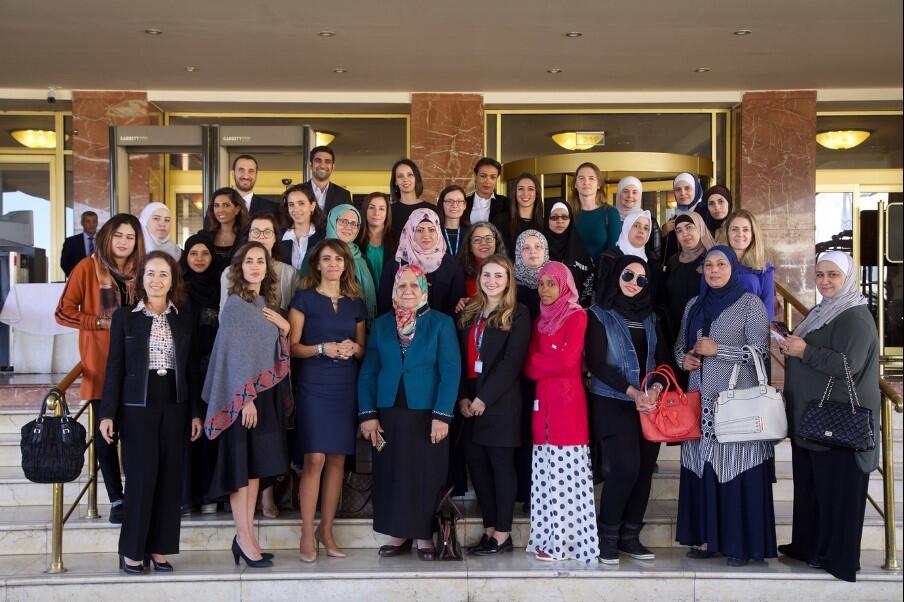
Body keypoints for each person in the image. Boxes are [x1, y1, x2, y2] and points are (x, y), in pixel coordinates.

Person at [777, 251, 880, 582]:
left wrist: (804, 351)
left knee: (837, 492)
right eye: (820, 274)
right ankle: (811, 547)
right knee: (815, 489)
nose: (825, 281)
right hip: (814, 420)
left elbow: (848, 365)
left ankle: (837, 557)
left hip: (837, 422)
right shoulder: (825, 311)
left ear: (847, 277)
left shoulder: (854, 316)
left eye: (833, 274)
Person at [98, 251, 201, 574]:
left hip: (174, 402)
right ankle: (132, 552)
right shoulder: (126, 317)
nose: (157, 281)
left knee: (170, 478)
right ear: (141, 279)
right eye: (151, 274)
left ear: (173, 281)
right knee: (141, 478)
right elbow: (114, 367)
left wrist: (196, 412)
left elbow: (191, 370)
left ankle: (159, 549)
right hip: (136, 406)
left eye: (164, 275)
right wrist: (107, 413)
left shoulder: (183, 317)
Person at [675, 245, 775, 567]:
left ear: (733, 267)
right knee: (703, 467)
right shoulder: (694, 305)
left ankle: (738, 543)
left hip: (736, 407)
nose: (714, 270)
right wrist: (685, 359)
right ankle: (706, 539)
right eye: (708, 265)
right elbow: (680, 346)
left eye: (721, 264)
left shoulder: (750, 305)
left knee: (734, 468)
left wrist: (720, 350)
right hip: (699, 402)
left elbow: (760, 355)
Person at [358, 265, 460, 561]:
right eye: (401, 286)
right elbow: (368, 372)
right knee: (391, 472)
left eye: (413, 286)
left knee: (425, 474)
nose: (407, 292)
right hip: (388, 410)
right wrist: (368, 414)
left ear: (424, 290)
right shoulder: (380, 325)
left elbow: (450, 371)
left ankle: (422, 535)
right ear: (393, 290)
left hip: (427, 412)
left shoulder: (440, 324)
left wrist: (442, 415)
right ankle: (397, 532)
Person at [203, 242, 292, 568]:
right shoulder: (236, 306)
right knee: (241, 471)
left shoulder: (264, 303)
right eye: (249, 261)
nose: (255, 266)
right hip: (244, 400)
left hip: (262, 397)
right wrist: (246, 398)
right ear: (239, 269)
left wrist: (285, 329)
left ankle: (248, 538)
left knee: (254, 471)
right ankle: (243, 537)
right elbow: (233, 357)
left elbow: (269, 353)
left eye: (260, 261)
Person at [55, 213, 144, 525]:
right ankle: (116, 499)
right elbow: (63, 312)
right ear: (107, 237)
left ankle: (137, 493)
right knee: (106, 436)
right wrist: (98, 322)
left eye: (130, 237)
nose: (123, 242)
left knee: (136, 433)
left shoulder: (143, 270)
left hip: (138, 363)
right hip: (101, 363)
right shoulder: (87, 267)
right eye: (118, 235)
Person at [587, 255, 671, 564]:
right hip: (613, 401)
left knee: (644, 470)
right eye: (628, 276)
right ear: (616, 277)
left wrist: (657, 388)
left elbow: (663, 361)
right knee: (625, 468)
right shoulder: (597, 314)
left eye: (641, 279)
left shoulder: (652, 318)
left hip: (649, 404)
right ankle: (607, 535)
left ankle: (630, 535)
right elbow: (597, 363)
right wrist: (633, 391)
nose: (634, 284)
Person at [289, 239, 367, 562]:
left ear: (346, 264)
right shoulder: (303, 300)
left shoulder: (356, 304)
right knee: (315, 459)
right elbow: (292, 347)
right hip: (313, 384)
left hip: (344, 385)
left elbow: (364, 349)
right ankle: (307, 531)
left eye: (339, 259)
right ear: (317, 265)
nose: (333, 264)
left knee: (337, 459)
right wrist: (322, 348)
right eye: (326, 259)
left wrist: (351, 348)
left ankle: (328, 529)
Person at [523, 262, 599, 563]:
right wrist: (547, 360)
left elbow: (568, 362)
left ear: (564, 285)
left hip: (567, 406)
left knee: (567, 477)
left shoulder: (576, 316)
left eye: (551, 284)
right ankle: (548, 538)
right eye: (541, 284)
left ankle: (567, 545)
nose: (545, 290)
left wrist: (546, 360)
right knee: (545, 476)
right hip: (542, 406)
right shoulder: (539, 320)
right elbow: (528, 365)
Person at [457, 255, 531, 556]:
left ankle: (503, 534)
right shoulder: (470, 311)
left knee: (501, 467)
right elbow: (459, 360)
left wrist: (483, 399)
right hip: (469, 401)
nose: (492, 281)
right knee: (478, 468)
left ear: (508, 280)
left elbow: (511, 362)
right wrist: (464, 396)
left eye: (499, 276)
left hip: (500, 402)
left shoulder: (519, 313)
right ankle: (489, 530)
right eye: (487, 275)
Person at [180, 233, 222, 515]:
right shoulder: (177, 289)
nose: (198, 258)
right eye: (193, 253)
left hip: (215, 370)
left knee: (211, 433)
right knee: (188, 434)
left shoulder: (221, 287)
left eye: (204, 253)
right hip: (184, 371)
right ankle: (187, 495)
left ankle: (211, 495)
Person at [512, 229, 549, 507]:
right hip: (516, 371)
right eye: (526, 248)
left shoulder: (555, 283)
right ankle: (524, 491)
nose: (533, 252)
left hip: (548, 370)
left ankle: (543, 491)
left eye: (538, 247)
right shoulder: (509, 285)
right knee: (523, 428)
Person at [658, 212, 715, 386]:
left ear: (700, 229)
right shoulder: (674, 261)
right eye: (679, 230)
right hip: (676, 333)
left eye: (690, 228)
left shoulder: (712, 259)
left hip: (704, 334)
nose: (685, 234)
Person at [377, 208, 465, 316]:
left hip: (440, 330)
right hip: (401, 329)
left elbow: (457, 308)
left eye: (431, 230)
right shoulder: (395, 264)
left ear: (438, 231)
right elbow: (385, 307)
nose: (426, 235)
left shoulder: (452, 265)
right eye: (419, 230)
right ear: (410, 231)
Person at [219, 213, 299, 314]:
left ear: (275, 238)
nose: (261, 236)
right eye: (256, 231)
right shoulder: (230, 272)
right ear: (248, 236)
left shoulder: (290, 273)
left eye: (267, 232)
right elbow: (224, 313)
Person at [325, 204, 377, 322]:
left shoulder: (362, 258)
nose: (349, 227)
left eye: (354, 223)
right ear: (333, 221)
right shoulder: (317, 253)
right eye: (344, 221)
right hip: (326, 322)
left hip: (359, 322)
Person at [594, 210, 657, 303]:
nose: (641, 231)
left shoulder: (652, 260)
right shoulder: (609, 258)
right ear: (627, 227)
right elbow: (603, 293)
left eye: (646, 228)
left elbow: (656, 296)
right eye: (636, 225)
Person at [723, 209, 775, 321]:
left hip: (753, 328)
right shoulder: (715, 261)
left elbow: (768, 308)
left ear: (753, 234)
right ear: (727, 233)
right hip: (720, 328)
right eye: (734, 229)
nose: (740, 234)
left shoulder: (764, 267)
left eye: (745, 229)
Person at [542, 201, 594, 307]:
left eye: (564, 217)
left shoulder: (579, 249)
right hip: (543, 309)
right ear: (547, 219)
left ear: (570, 220)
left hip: (573, 309)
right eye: (554, 217)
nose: (560, 221)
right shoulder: (538, 247)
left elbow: (587, 284)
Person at [572, 162, 621, 260]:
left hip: (602, 272)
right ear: (575, 184)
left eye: (591, 178)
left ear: (599, 184)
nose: (586, 182)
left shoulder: (610, 213)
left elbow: (614, 251)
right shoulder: (568, 214)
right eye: (581, 178)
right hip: (573, 273)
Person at [279, 183, 325, 274]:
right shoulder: (278, 236)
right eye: (291, 204)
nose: (296, 209)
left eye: (301, 203)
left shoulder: (324, 237)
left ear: (312, 206)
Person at [458, 221, 508, 304]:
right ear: (470, 246)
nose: (483, 243)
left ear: (496, 242)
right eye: (477, 240)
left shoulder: (507, 269)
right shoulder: (460, 271)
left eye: (488, 238)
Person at [614, 176, 662, 263]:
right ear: (619, 193)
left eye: (634, 192)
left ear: (640, 195)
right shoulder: (610, 218)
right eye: (625, 191)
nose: (630, 196)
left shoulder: (650, 221)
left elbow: (656, 255)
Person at [661, 172, 704, 261]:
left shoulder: (705, 212)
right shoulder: (674, 217)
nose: (682, 193)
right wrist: (664, 233)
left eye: (687, 188)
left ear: (695, 190)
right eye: (678, 189)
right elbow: (669, 253)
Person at [356, 192, 396, 284]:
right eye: (371, 207)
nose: (376, 213)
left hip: (390, 295)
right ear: (365, 210)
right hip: (361, 295)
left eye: (381, 209)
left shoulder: (397, 239)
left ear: (387, 213)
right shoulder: (355, 240)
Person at [388, 159, 433, 238]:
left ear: (416, 178)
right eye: (400, 176)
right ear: (395, 182)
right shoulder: (388, 212)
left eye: (410, 175)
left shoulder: (431, 210)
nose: (405, 179)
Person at [204, 187, 248, 264]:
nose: (220, 210)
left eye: (226, 205)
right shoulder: (204, 235)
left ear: (237, 209)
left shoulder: (247, 236)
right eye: (216, 205)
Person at [504, 173, 545, 253]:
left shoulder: (545, 225)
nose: (525, 193)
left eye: (530, 189)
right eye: (520, 189)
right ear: (514, 193)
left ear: (537, 194)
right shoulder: (502, 221)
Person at [305, 145, 352, 215]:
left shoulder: (343, 195)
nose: (322, 165)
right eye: (318, 160)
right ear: (311, 165)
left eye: (327, 161)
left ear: (333, 167)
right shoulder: (297, 192)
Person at [465, 157, 510, 228]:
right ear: (475, 175)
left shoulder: (507, 203)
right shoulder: (464, 203)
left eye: (493, 177)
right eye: (483, 176)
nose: (488, 181)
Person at [61, 210, 99, 278]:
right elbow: (64, 263)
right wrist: (74, 277)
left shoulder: (104, 241)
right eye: (88, 221)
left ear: (97, 223)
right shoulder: (71, 242)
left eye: (94, 221)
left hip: (101, 281)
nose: (91, 224)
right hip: (79, 279)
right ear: (82, 223)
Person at [435, 184, 470, 258]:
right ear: (442, 204)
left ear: (464, 205)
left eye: (459, 201)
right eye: (449, 201)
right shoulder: (434, 231)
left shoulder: (472, 232)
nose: (454, 205)